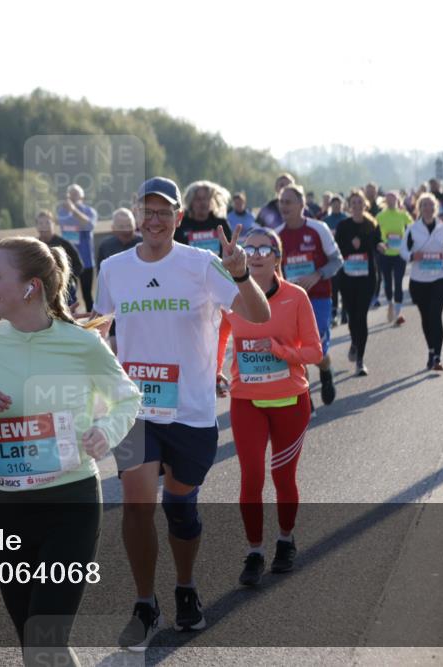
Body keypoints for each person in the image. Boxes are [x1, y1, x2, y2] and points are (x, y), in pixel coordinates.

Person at [0, 237, 141, 666]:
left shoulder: (82, 343)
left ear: (31, 286)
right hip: (8, 510)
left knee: (44, 639)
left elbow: (127, 398)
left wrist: (106, 431)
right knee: (35, 649)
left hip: (71, 506)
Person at [93, 176, 270, 650]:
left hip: (189, 410)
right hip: (134, 409)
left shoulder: (202, 264)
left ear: (178, 217)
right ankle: (144, 604)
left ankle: (186, 587)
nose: (153, 220)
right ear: (138, 214)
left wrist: (241, 274)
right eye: (146, 211)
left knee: (179, 508)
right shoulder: (112, 268)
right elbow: (100, 330)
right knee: (136, 503)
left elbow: (258, 316)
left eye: (163, 212)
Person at [215, 227, 321, 586]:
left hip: (290, 400)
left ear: (278, 258)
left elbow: (315, 352)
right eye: (251, 248)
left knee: (282, 477)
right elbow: (221, 334)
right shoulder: (231, 297)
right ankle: (255, 550)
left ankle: (285, 540)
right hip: (247, 401)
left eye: (266, 248)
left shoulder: (296, 297)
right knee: (251, 478)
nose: (257, 254)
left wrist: (279, 351)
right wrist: (216, 370)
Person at [274, 184, 342, 412]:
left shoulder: (318, 228)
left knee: (317, 348)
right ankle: (306, 396)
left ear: (302, 205)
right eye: (281, 202)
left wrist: (318, 274)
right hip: (290, 300)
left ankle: (325, 371)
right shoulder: (277, 235)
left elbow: (337, 260)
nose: (284, 206)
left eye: (289, 201)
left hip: (319, 297)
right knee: (295, 348)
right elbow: (273, 271)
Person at [400, 193, 443, 371]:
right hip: (419, 280)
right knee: (426, 317)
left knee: (435, 314)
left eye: (431, 205)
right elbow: (403, 250)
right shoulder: (412, 228)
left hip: (440, 277)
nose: (427, 208)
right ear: (419, 208)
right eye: (424, 205)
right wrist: (412, 256)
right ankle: (431, 351)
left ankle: (438, 357)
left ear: (436, 208)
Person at [334, 191, 384, 375]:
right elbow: (337, 250)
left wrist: (380, 245)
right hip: (347, 279)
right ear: (349, 205)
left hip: (367, 277)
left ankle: (360, 361)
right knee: (351, 316)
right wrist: (350, 246)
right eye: (353, 202)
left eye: (359, 202)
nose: (356, 205)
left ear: (365, 205)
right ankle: (354, 342)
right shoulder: (343, 225)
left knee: (361, 317)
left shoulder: (372, 224)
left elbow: (378, 241)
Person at [56, 184, 98, 311]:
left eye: (76, 195)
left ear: (82, 197)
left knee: (87, 294)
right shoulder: (63, 212)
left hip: (86, 261)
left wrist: (74, 211)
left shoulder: (90, 211)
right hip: (69, 260)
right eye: (71, 195)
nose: (73, 198)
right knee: (68, 294)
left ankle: (92, 322)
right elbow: (62, 226)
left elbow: (90, 225)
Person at [377, 191, 414, 324]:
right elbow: (375, 233)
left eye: (393, 199)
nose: (391, 201)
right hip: (385, 254)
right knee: (387, 281)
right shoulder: (380, 216)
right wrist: (381, 241)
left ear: (398, 200)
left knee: (398, 281)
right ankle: (390, 305)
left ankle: (398, 312)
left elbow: (412, 228)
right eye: (389, 199)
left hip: (399, 253)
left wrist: (407, 242)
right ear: (385, 201)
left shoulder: (403, 214)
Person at [36, 210, 84, 311]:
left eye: (47, 223)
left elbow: (78, 265)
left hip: (65, 290)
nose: (44, 226)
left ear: (53, 224)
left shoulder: (64, 244)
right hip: (43, 291)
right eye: (40, 223)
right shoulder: (34, 246)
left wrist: (66, 279)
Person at [175, 180, 232, 256]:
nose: (203, 203)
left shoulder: (221, 224)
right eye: (198, 199)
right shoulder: (181, 225)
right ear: (191, 202)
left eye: (206, 198)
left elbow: (230, 251)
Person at [322, 194, 347, 327]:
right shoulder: (326, 221)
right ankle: (334, 313)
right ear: (331, 206)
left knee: (345, 287)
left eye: (338, 204)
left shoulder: (346, 219)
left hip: (346, 258)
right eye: (334, 204)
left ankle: (345, 312)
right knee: (335, 288)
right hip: (331, 260)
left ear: (342, 205)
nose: (336, 207)